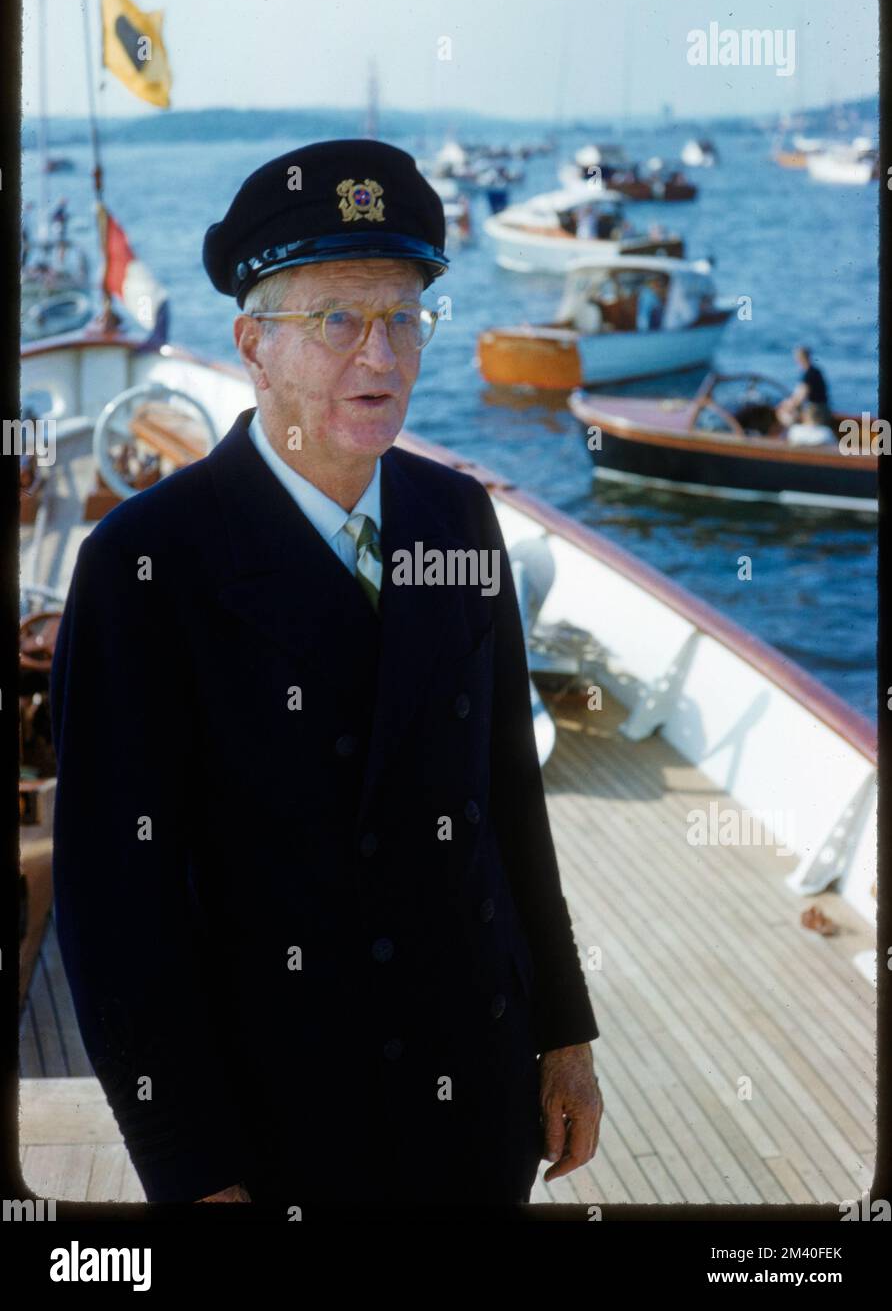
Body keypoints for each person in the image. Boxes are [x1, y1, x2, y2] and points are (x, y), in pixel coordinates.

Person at [50, 138, 603, 1214]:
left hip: (476, 1110)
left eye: (405, 316)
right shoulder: (143, 568)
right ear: (254, 344)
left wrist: (564, 1033)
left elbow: (507, 800)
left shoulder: (457, 517)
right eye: (338, 319)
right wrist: (193, 1170)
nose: (381, 356)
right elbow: (117, 910)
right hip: (281, 1132)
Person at [776, 346, 832, 427]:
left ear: (799, 359)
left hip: (816, 412)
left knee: (786, 414)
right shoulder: (815, 371)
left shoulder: (808, 374)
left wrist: (786, 407)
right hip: (823, 409)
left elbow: (801, 397)